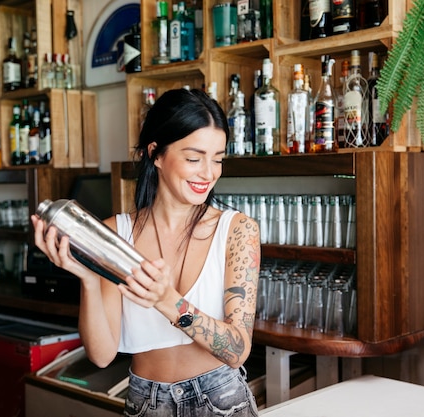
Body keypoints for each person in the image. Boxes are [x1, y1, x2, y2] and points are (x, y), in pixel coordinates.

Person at [32, 88, 261, 416]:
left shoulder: (238, 231)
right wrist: (87, 276)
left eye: (218, 159)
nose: (209, 173)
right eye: (194, 158)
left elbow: (237, 350)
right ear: (156, 153)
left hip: (222, 400)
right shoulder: (115, 235)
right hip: (147, 402)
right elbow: (101, 355)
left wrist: (166, 300)